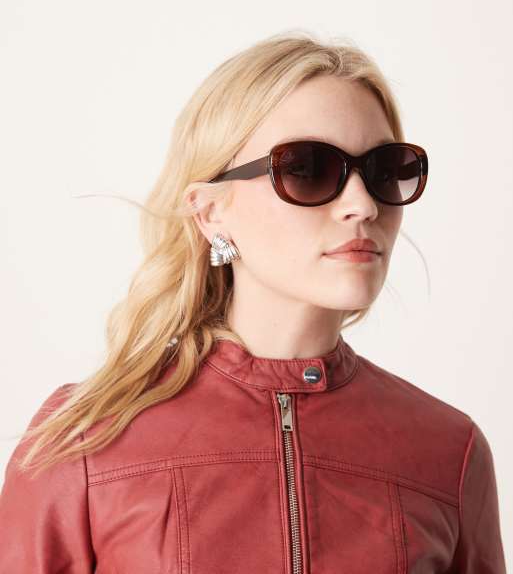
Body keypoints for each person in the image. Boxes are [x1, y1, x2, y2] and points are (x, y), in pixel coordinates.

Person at [0, 31, 506, 573]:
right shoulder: (85, 438)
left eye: (385, 170)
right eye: (307, 169)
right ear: (211, 212)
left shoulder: (449, 453)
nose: (362, 206)